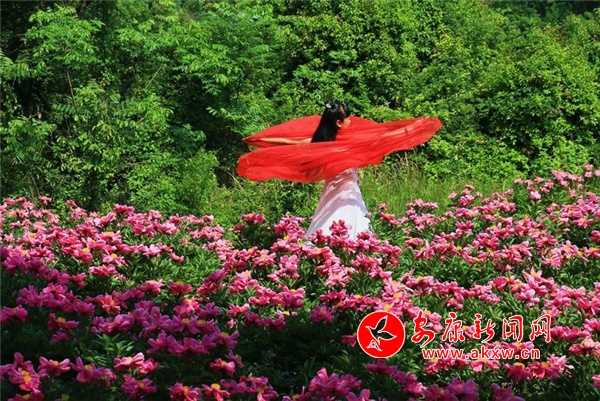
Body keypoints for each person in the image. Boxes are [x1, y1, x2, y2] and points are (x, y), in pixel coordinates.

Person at [237, 103, 443, 240]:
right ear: (338, 123)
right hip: (348, 192)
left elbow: (288, 141)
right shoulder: (343, 143)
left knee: (329, 221)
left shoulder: (321, 142)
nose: (351, 121)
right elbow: (387, 137)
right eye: (348, 118)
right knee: (353, 222)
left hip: (334, 190)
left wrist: (259, 140)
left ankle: (328, 250)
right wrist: (415, 127)